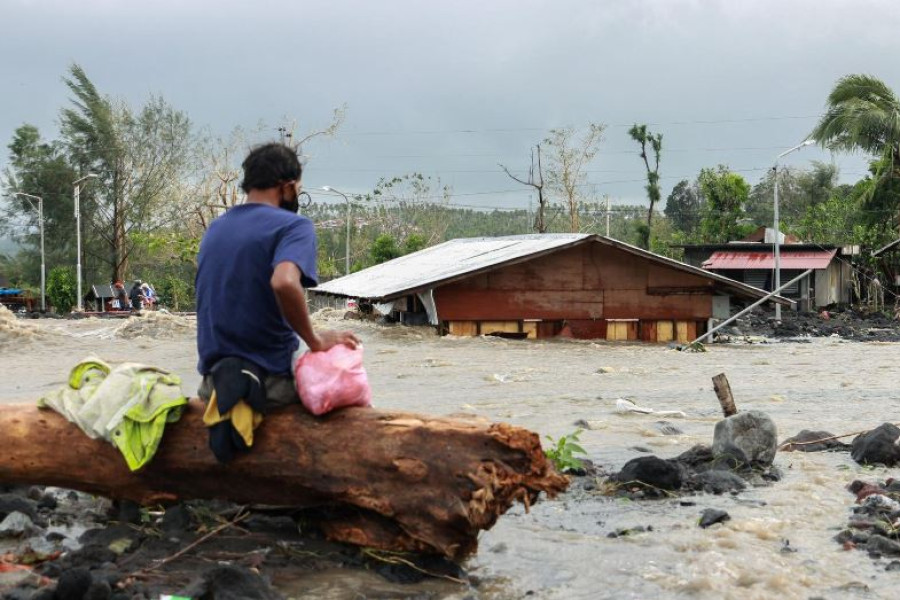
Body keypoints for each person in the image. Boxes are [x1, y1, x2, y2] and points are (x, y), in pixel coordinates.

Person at [195, 142, 359, 408]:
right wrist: (315, 341)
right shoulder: (294, 226)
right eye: (299, 189)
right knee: (341, 393)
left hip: (213, 385)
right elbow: (284, 282)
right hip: (268, 384)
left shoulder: (216, 229)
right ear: (288, 186)